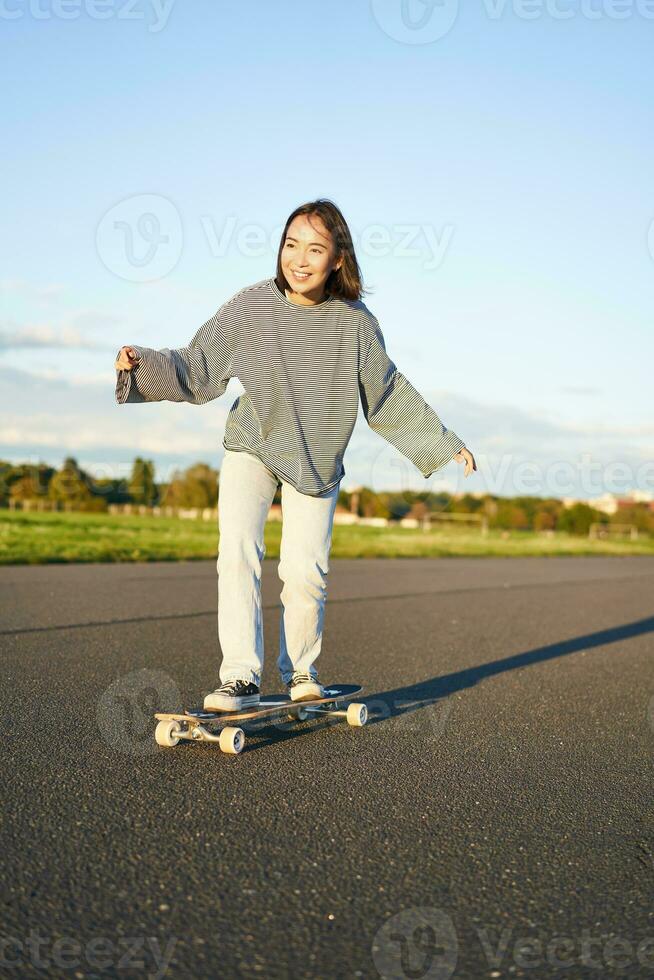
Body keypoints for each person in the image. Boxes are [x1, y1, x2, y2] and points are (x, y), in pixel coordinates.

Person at [115, 198, 477, 712]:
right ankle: (239, 676)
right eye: (291, 245)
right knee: (237, 551)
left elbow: (387, 393)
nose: (299, 260)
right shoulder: (253, 306)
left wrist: (443, 443)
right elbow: (197, 366)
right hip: (254, 441)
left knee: (306, 570)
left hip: (316, 459)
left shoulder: (355, 324)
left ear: (337, 261)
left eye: (315, 249)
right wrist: (140, 364)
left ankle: (301, 671)